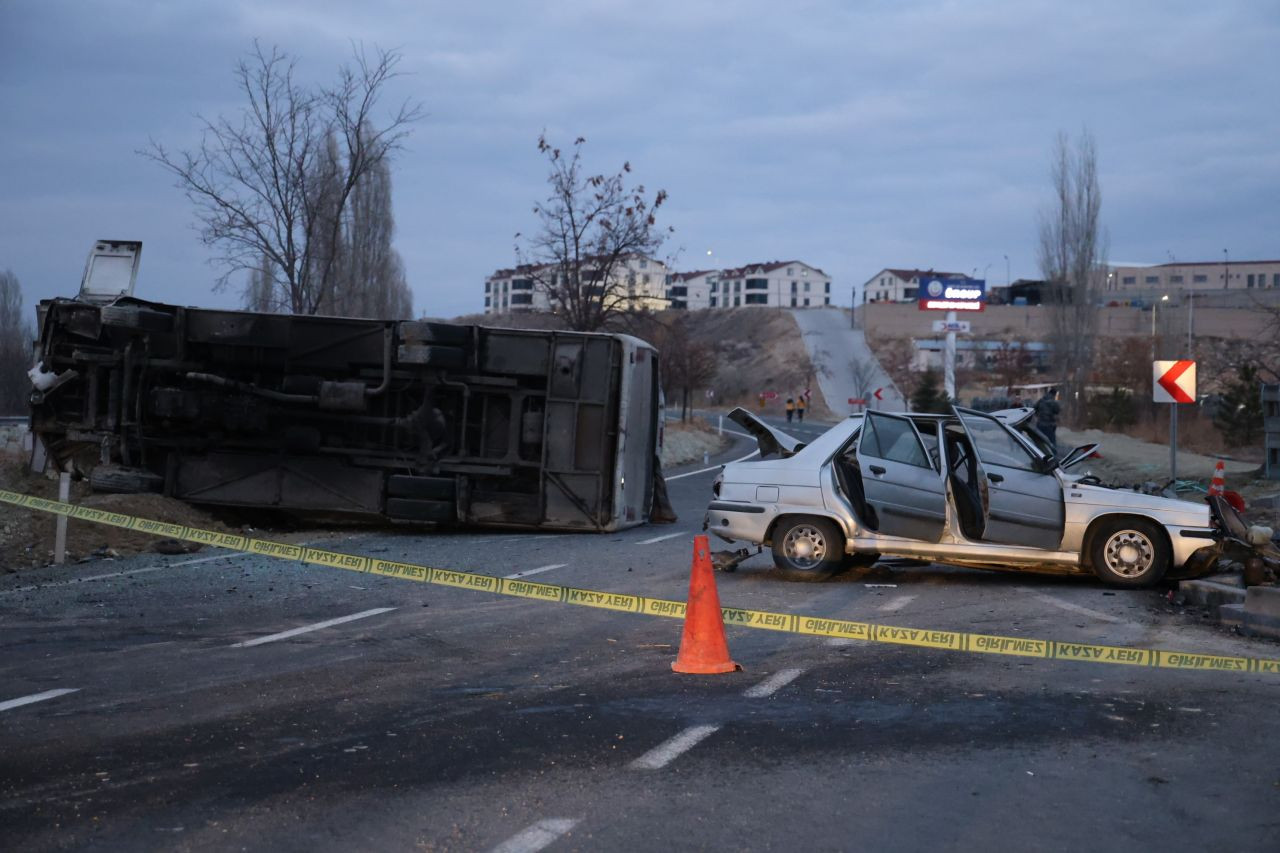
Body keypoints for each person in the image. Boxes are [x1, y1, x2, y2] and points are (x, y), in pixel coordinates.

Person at [1034, 387, 1061, 455]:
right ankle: (1054, 458)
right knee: (1052, 442)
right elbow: (1057, 411)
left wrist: (1038, 415)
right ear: (1054, 394)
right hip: (1049, 425)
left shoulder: (1041, 400)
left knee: (1039, 442)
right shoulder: (1053, 402)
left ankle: (1039, 456)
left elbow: (1034, 408)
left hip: (1040, 424)